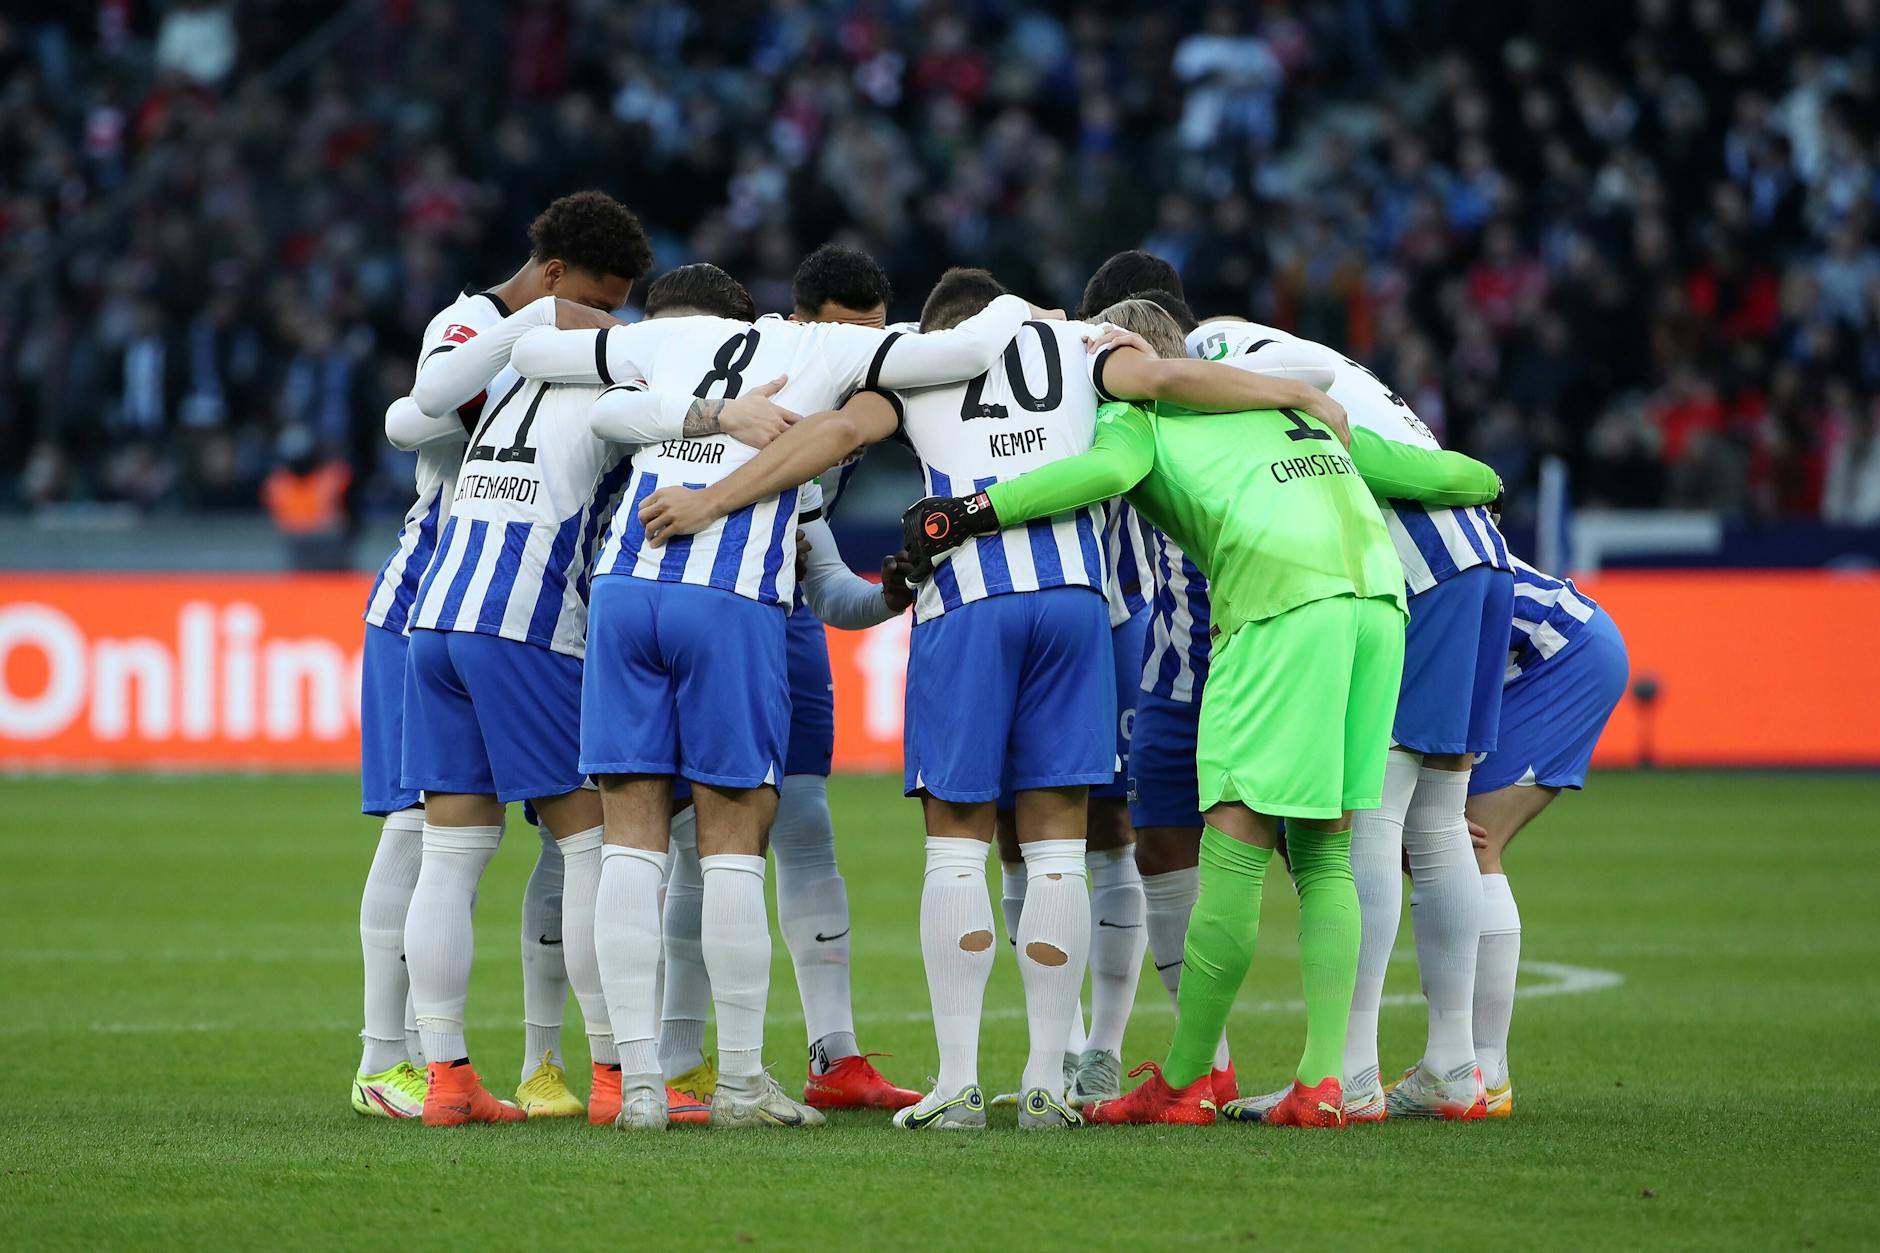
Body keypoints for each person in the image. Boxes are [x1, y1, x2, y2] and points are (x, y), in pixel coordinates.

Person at [632, 270, 1348, 1130]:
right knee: (1057, 847)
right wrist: (1296, 396)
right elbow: (1169, 377)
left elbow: (831, 436)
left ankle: (959, 1084)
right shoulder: (1076, 345)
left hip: (969, 600)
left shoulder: (923, 365)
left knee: (959, 845)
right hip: (1078, 605)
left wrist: (710, 498)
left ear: (939, 326)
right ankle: (1050, 1082)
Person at [902, 299, 1501, 1129]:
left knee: (1236, 836)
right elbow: (1435, 475)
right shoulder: (1291, 412)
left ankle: (1184, 1081)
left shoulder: (1137, 411)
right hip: (1378, 601)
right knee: (1323, 842)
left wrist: (973, 511)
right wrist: (1489, 479)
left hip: (1282, 600)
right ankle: (1324, 1082)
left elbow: (1101, 475)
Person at [507, 261, 1041, 1129]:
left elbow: (533, 352)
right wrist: (1029, 303)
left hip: (625, 587)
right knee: (730, 846)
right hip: (728, 598)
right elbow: (974, 344)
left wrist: (698, 412)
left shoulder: (665, 339)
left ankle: (639, 1084)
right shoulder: (827, 345)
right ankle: (742, 1082)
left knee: (632, 844)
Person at [350, 191, 645, 1122]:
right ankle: (395, 1058)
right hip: (478, 606)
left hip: (447, 604)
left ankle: (451, 1075)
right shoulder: (480, 325)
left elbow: (412, 421)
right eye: (603, 301)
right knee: (573, 838)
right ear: (558, 280)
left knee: (450, 844)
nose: (615, 320)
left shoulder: (535, 352)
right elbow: (416, 413)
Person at [1188, 316, 1516, 1121]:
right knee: (1438, 824)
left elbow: (1338, 436)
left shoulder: (1217, 354)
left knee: (1365, 823)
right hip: (1482, 561)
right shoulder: (1293, 353)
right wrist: (1476, 477)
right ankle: (1454, 1064)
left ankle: (1352, 1070)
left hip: (1408, 569)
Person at [1466, 559, 1628, 1118]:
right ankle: (1463, 1065)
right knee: (1440, 841)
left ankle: (1481, 1073)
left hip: (1564, 656)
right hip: (1556, 646)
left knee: (1465, 842)